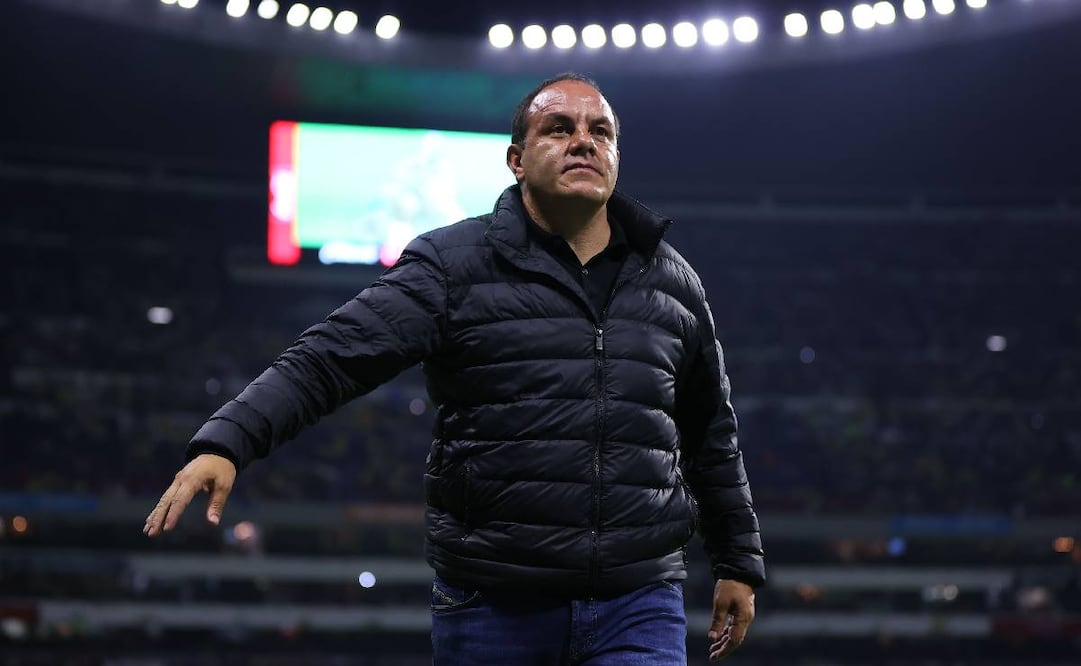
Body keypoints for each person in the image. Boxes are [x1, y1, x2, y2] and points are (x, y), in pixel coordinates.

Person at [144, 72, 765, 664]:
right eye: (559, 128)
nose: (583, 141)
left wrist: (735, 560)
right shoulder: (452, 265)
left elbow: (710, 433)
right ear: (516, 160)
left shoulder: (673, 282)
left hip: (640, 598)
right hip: (493, 600)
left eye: (601, 131)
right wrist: (230, 440)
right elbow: (332, 356)